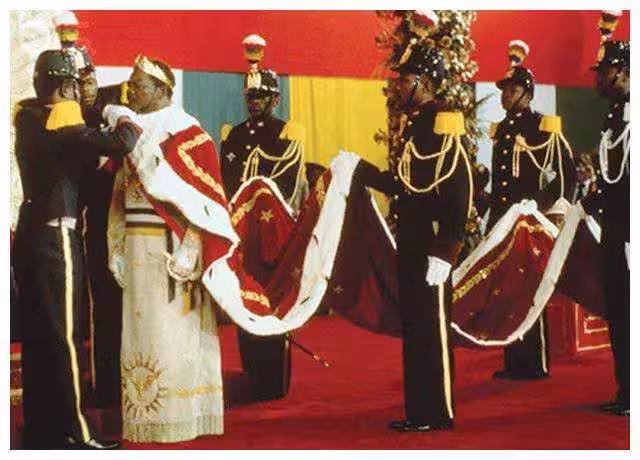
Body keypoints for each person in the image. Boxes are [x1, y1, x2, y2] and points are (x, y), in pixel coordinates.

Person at [12, 49, 141, 449]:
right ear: (66, 87)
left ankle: (42, 429)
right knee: (66, 337)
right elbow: (123, 141)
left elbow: (75, 165)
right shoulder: (62, 118)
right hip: (57, 240)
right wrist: (120, 113)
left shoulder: (29, 118)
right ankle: (77, 431)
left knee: (39, 337)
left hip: (33, 235)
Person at [357, 36, 473, 432]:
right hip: (410, 242)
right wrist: (361, 171)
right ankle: (418, 411)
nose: (398, 87)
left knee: (431, 330)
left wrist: (448, 248)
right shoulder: (416, 126)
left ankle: (437, 412)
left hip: (432, 246)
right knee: (414, 329)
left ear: (423, 82)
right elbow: (404, 184)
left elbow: (459, 188)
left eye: (405, 80)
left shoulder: (442, 123)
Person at [107, 55, 225, 442]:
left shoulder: (189, 133)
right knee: (140, 332)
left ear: (162, 90)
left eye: (138, 85)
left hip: (172, 250)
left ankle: (180, 416)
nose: (131, 92)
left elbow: (206, 204)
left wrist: (191, 250)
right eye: (130, 85)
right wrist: (116, 244)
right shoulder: (129, 129)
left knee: (173, 334)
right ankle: (145, 418)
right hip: (136, 249)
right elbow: (120, 193)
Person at [219, 34, 305, 402]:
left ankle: (273, 379)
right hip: (242, 232)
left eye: (261, 97)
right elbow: (226, 182)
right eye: (250, 97)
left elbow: (287, 185)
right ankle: (251, 370)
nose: (254, 103)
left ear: (275, 99)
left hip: (273, 232)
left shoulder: (287, 134)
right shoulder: (234, 135)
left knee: (272, 300)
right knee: (245, 297)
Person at [488, 40, 575, 380]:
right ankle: (513, 359)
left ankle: (534, 362)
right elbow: (501, 181)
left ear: (526, 93)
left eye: (511, 91)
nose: (504, 96)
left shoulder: (542, 126)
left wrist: (540, 207)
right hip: (504, 218)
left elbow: (565, 176)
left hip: (529, 219)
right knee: (507, 289)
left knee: (528, 288)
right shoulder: (503, 129)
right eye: (503, 91)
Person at [75, 49, 128, 410]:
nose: (87, 89)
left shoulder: (109, 118)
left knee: (110, 304)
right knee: (88, 310)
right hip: (80, 226)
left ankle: (112, 384)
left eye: (91, 81)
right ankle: (95, 384)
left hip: (109, 225)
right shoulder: (68, 122)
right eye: (80, 83)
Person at [580, 40, 630, 416]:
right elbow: (615, 179)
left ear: (625, 72)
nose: (599, 79)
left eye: (606, 72)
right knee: (621, 312)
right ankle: (628, 391)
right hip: (615, 230)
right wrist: (592, 197)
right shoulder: (615, 116)